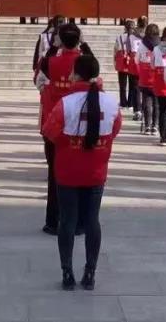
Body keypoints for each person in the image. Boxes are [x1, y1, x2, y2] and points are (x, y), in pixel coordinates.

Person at [41, 54, 121, 291]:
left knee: (67, 220)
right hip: (96, 171)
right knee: (92, 220)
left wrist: (70, 143)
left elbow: (50, 132)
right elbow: (114, 130)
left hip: (68, 172)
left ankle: (67, 272)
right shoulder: (111, 103)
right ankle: (90, 272)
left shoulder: (66, 103)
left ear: (76, 74)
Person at [36, 23, 85, 235]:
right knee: (79, 172)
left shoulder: (49, 62)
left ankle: (53, 221)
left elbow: (39, 80)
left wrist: (53, 47)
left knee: (54, 173)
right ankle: (78, 222)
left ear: (59, 40)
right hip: (79, 125)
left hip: (54, 124)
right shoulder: (83, 62)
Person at [137, 24, 159, 135]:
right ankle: (155, 125)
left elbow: (136, 60)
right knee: (156, 103)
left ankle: (147, 125)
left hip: (145, 77)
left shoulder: (142, 45)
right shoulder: (159, 45)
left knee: (146, 102)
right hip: (156, 77)